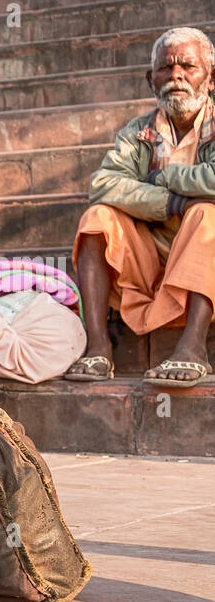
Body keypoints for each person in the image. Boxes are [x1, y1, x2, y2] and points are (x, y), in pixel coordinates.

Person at [65, 26, 215, 387]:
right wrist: (172, 202)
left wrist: (166, 176)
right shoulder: (138, 132)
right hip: (151, 257)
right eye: (166, 68)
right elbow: (102, 185)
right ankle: (98, 346)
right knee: (97, 218)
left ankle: (193, 346)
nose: (176, 76)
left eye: (187, 67)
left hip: (206, 258)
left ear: (210, 78)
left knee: (207, 214)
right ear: (151, 80)